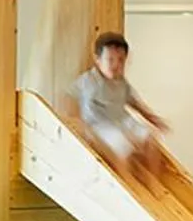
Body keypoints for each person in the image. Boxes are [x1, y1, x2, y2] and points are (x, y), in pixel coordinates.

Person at [71, 31, 170, 184]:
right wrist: (77, 123)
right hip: (100, 124)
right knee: (123, 147)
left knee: (150, 139)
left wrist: (153, 119)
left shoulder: (121, 82)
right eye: (110, 60)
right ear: (98, 60)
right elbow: (69, 98)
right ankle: (127, 183)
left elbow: (135, 103)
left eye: (121, 61)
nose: (116, 65)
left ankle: (154, 181)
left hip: (122, 121)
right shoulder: (89, 81)